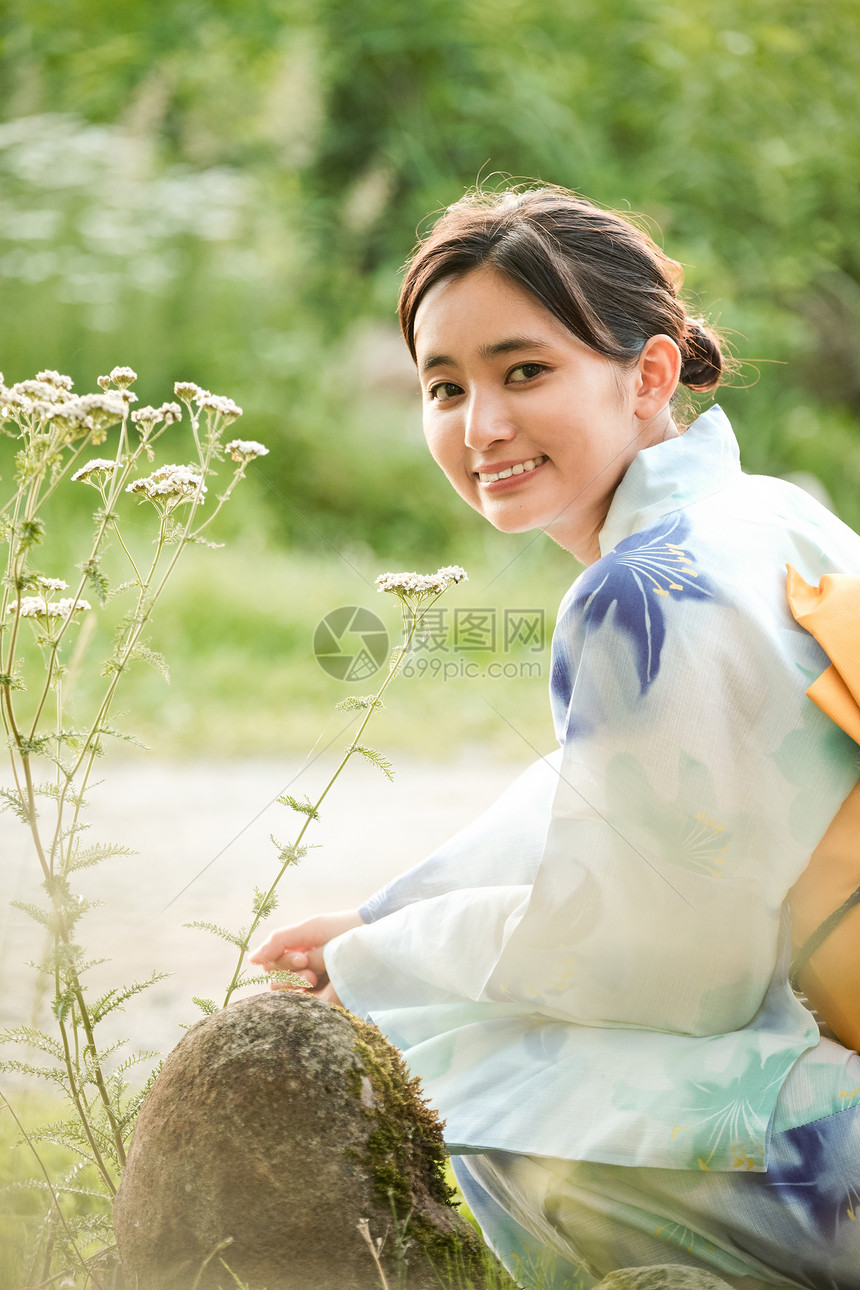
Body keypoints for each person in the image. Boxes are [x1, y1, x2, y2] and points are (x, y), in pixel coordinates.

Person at [251, 187, 860, 1289]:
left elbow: (663, 974)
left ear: (649, 375)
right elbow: (599, 799)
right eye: (445, 386)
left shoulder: (640, 588)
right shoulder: (766, 513)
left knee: (471, 1083)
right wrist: (383, 916)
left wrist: (377, 960)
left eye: (522, 371)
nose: (478, 425)